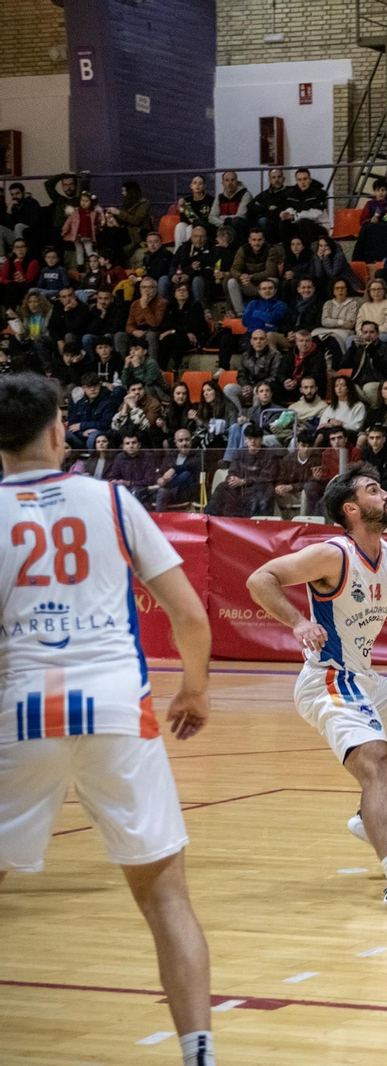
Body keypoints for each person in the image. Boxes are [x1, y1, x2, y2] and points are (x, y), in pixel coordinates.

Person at [0, 373, 218, 1066]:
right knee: (166, 897)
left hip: (20, 710)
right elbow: (189, 615)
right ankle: (199, 1054)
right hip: (119, 710)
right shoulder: (114, 500)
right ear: (58, 431)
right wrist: (193, 691)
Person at [247, 468, 387, 911]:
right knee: (376, 762)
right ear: (351, 509)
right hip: (329, 679)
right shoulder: (333, 555)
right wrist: (298, 621)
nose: (386, 493)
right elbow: (260, 579)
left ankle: (365, 817)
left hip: (363, 679)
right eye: (374, 490)